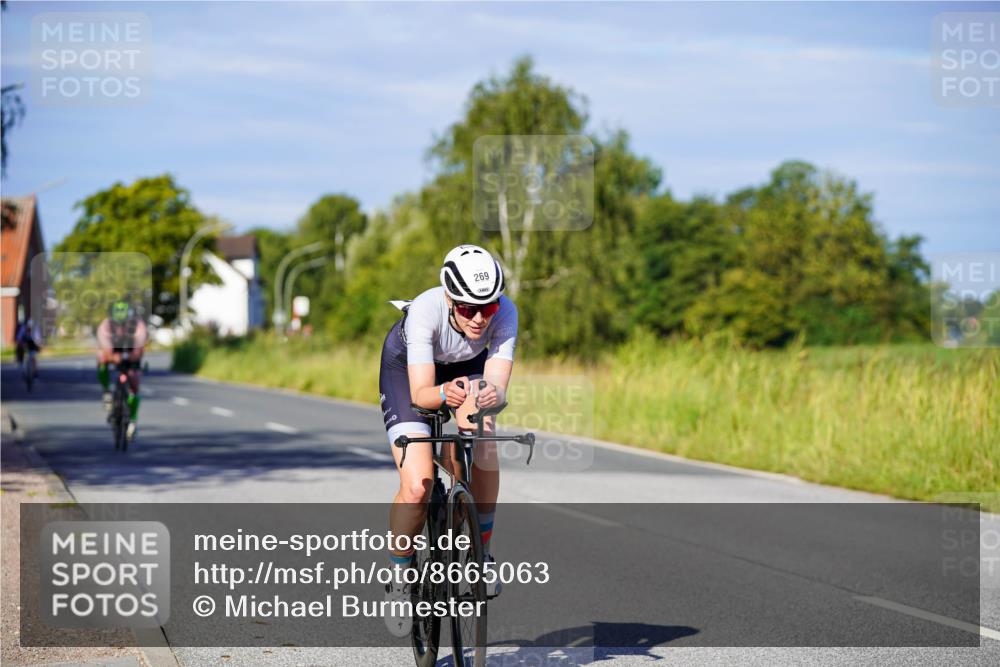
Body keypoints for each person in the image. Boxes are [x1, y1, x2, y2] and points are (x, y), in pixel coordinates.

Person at [379, 244, 518, 635]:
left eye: (487, 307)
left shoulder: (505, 312)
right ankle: (400, 575)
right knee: (418, 485)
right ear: (449, 298)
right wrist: (444, 394)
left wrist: (492, 396)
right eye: (469, 308)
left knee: (484, 442)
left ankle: (481, 555)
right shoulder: (427, 311)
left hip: (466, 368)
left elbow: (500, 388)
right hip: (410, 372)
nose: (479, 318)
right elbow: (423, 394)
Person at [96, 300, 148, 441]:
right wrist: (112, 357)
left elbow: (138, 349)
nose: (120, 327)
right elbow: (105, 348)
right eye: (117, 323)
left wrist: (131, 358)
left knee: (134, 381)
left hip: (132, 353)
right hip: (114, 352)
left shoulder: (139, 326)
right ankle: (107, 392)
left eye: (124, 323)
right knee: (100, 359)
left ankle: (132, 420)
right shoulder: (105, 326)